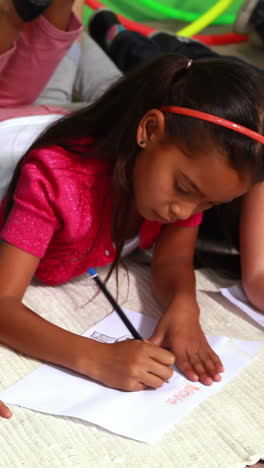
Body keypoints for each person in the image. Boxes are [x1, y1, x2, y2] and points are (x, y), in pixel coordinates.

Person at [1, 2, 264, 406]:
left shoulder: (182, 183)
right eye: (182, 187)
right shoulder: (55, 178)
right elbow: (2, 302)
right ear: (150, 130)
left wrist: (183, 303)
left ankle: (90, 41)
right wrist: (95, 357)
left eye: (206, 204)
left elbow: (172, 261)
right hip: (17, 124)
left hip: (72, 118)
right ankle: (89, 38)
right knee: (51, 72)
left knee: (89, 80)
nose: (183, 211)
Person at [88, 9, 264, 313]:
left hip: (222, 120)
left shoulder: (201, 190)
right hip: (213, 87)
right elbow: (257, 274)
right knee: (153, 73)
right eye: (182, 188)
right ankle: (118, 33)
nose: (184, 211)